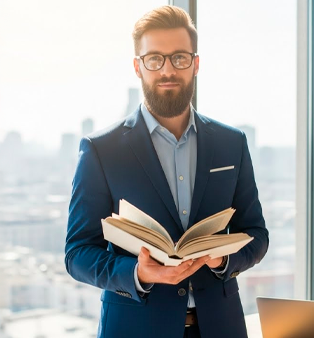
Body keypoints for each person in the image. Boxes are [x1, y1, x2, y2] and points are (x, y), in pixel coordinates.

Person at [64, 5, 269, 338]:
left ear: (196, 64)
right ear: (138, 67)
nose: (167, 70)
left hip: (220, 326)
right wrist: (137, 272)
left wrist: (222, 261)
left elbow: (257, 235)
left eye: (179, 58)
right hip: (136, 328)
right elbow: (77, 254)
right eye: (155, 59)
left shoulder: (232, 142)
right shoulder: (102, 149)